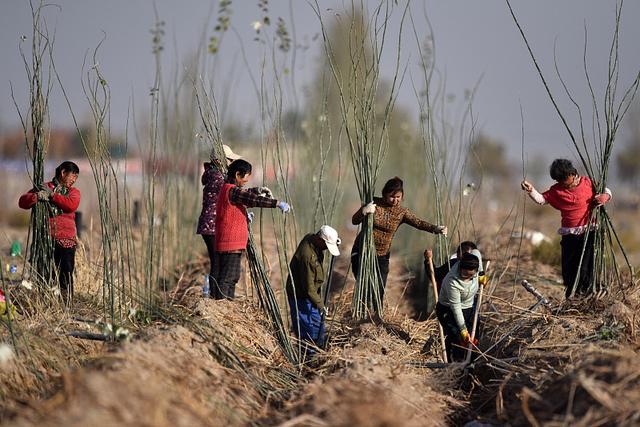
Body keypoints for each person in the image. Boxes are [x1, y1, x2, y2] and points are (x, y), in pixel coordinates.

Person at [521, 158, 612, 298]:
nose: (561, 183)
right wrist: (531, 190)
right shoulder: (557, 190)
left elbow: (606, 191)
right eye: (558, 181)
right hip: (569, 235)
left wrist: (604, 197)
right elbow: (542, 199)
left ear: (571, 174)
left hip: (588, 232)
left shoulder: (588, 182)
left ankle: (587, 295)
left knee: (586, 267)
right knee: (568, 269)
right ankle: (572, 297)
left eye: (563, 180)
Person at [351, 176, 447, 304]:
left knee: (378, 290)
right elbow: (354, 221)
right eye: (392, 196)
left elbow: (418, 223)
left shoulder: (402, 212)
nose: (395, 200)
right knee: (363, 285)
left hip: (382, 256)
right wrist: (364, 211)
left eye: (398, 197)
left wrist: (436, 229)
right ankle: (359, 313)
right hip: (362, 250)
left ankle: (373, 317)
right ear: (384, 195)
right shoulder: (374, 203)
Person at [196, 145, 272, 298]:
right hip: (213, 226)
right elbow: (236, 194)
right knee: (218, 264)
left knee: (218, 263)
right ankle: (217, 297)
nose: (230, 163)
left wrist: (254, 194)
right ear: (219, 160)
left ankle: (216, 295)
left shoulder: (214, 175)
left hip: (210, 224)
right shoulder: (218, 178)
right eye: (229, 160)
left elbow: (238, 194)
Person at [213, 159, 289, 300]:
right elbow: (253, 200)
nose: (246, 181)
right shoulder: (231, 190)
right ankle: (222, 305)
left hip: (232, 244)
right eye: (245, 178)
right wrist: (277, 203)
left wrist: (257, 190)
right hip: (230, 244)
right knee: (227, 278)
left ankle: (227, 305)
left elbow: (245, 193)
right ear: (237, 174)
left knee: (233, 277)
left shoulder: (229, 189)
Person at [18, 161, 81, 302]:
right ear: (63, 172)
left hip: (66, 240)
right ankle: (46, 301)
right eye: (72, 176)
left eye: (76, 177)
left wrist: (52, 196)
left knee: (66, 273)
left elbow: (71, 205)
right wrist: (37, 196)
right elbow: (22, 202)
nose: (74, 180)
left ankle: (66, 304)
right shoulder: (43, 187)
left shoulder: (73, 192)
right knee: (46, 273)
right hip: (45, 240)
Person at [286, 225, 341, 356]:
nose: (327, 249)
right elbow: (309, 287)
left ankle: (319, 349)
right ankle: (308, 358)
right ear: (320, 240)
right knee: (306, 328)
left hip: (311, 295)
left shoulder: (312, 239)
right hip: (300, 295)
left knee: (318, 324)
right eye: (327, 245)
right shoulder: (307, 256)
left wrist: (335, 241)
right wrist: (321, 305)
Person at [436, 250, 486, 362]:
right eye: (464, 274)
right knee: (457, 339)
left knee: (473, 337)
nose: (466, 278)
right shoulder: (452, 282)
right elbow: (456, 308)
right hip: (448, 310)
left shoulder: (475, 268)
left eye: (471, 275)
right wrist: (462, 329)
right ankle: (454, 366)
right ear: (459, 268)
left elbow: (476, 252)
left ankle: (471, 363)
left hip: (469, 307)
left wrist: (481, 274)